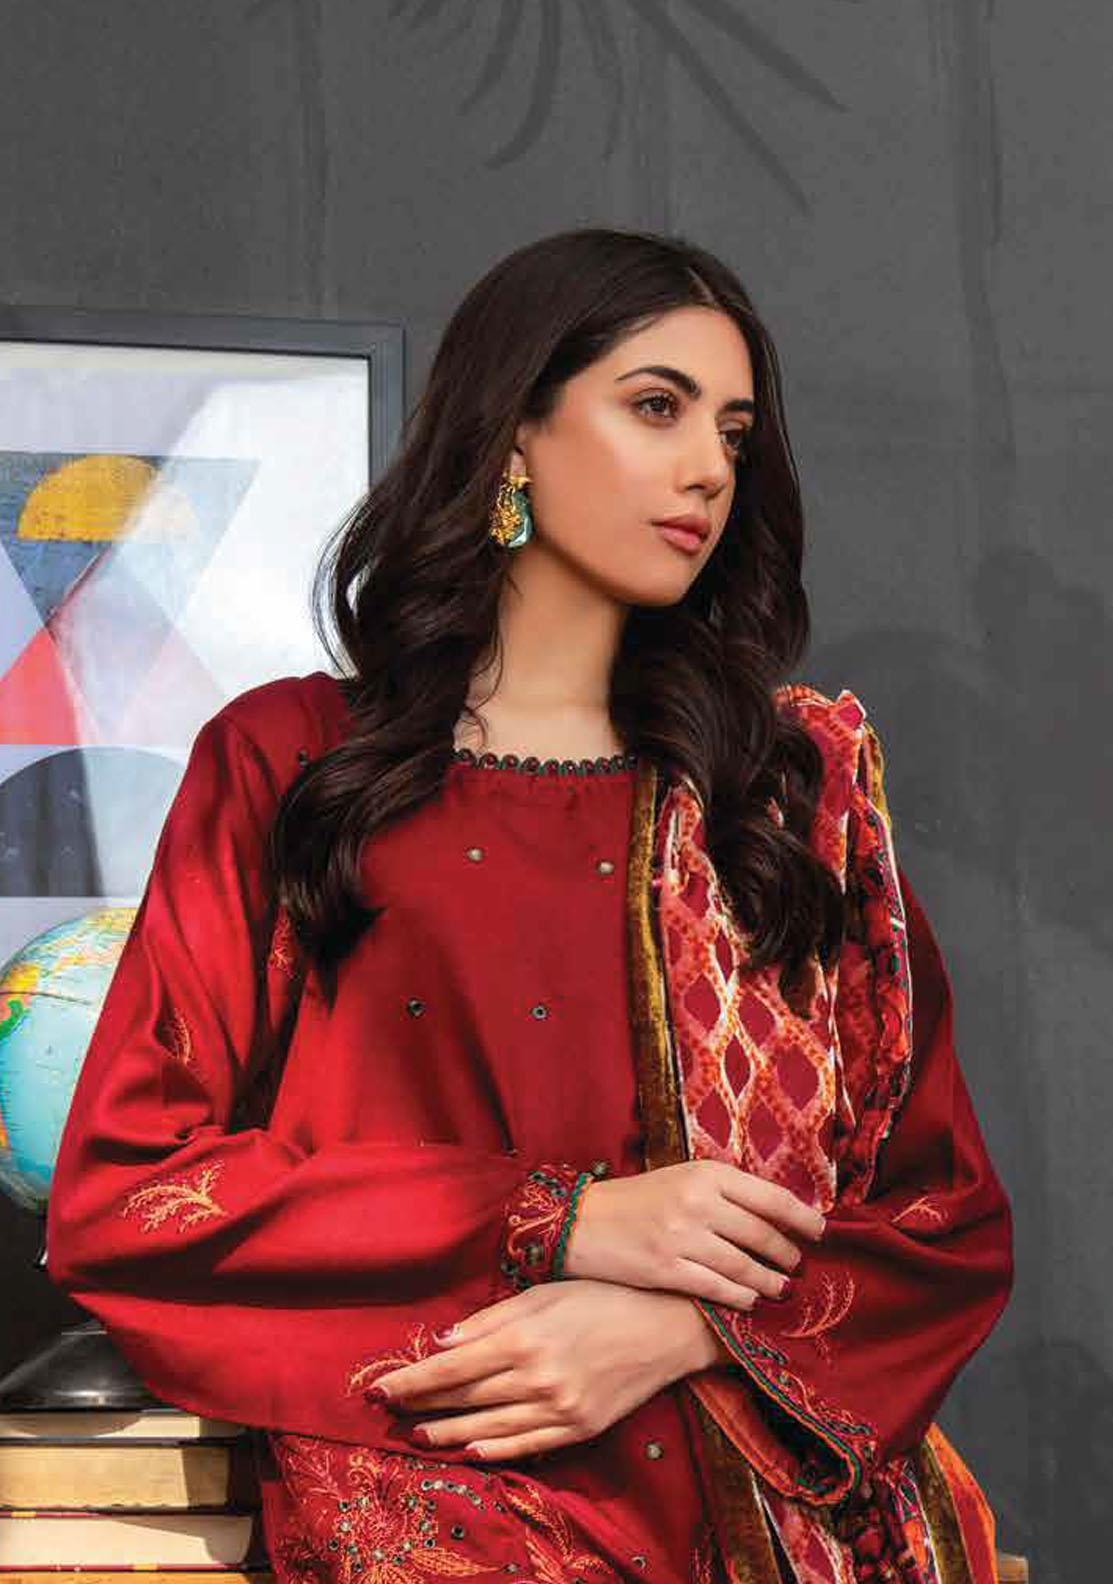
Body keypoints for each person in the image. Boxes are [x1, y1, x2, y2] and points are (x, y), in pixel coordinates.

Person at [47, 227, 1014, 1584]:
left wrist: (682, 1331)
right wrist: (557, 1222)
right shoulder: (295, 764)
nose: (707, 467)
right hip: (447, 1501)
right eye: (656, 407)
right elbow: (134, 1193)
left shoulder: (783, 795)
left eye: (733, 433)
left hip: (758, 1517)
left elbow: (941, 1221)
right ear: (514, 432)